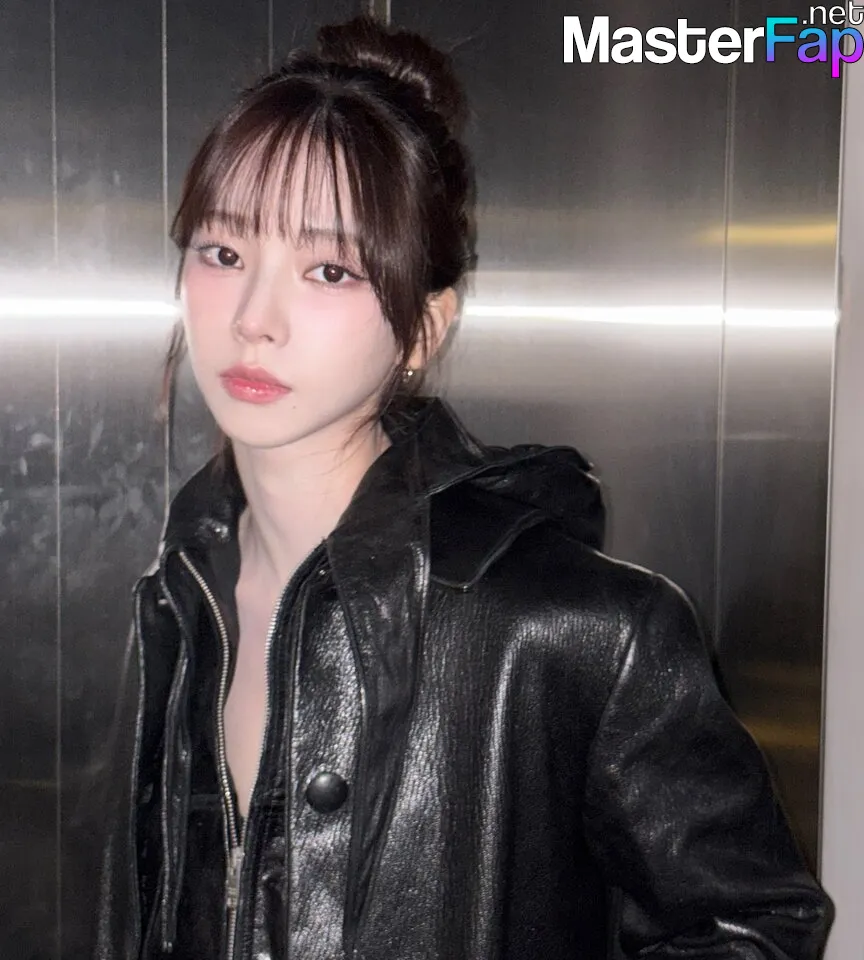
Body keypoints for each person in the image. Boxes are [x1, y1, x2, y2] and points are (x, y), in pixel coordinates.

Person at [94, 15, 832, 960]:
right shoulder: (175, 602)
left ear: (422, 330)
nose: (253, 319)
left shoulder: (578, 627)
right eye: (224, 252)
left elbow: (755, 926)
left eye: (329, 269)